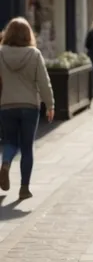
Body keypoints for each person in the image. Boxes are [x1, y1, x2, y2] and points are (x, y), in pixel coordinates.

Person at [0, 17, 54, 199]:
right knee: (27, 147)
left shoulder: (0, 53)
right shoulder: (34, 54)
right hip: (30, 106)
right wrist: (50, 104)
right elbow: (44, 82)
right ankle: (24, 188)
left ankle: (6, 163)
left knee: (9, 141)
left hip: (6, 104)